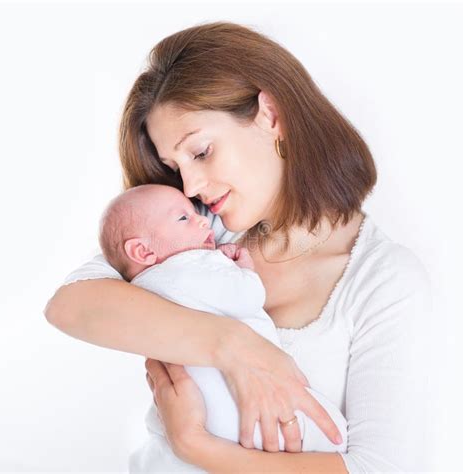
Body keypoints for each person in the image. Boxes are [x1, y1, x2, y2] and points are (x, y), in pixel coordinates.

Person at [44, 22, 431, 472]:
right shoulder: (200, 233)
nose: (190, 185)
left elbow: (380, 468)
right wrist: (235, 346)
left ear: (270, 115)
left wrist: (196, 446)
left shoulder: (382, 280)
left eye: (201, 152)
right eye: (175, 166)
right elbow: (68, 306)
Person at [97, 183, 348, 471]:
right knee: (330, 431)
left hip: (187, 404)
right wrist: (243, 270)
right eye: (184, 219)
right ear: (142, 251)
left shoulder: (138, 288)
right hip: (233, 407)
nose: (203, 220)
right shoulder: (186, 267)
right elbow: (245, 298)